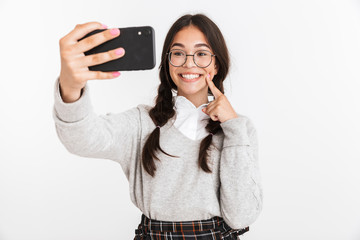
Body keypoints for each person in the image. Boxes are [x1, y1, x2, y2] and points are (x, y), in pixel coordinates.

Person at [53, 13, 263, 240]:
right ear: (167, 62)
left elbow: (241, 216)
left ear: (217, 63)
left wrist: (232, 125)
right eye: (178, 53)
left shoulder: (239, 129)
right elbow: (82, 138)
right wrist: (70, 86)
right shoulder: (142, 123)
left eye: (201, 54)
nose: (188, 62)